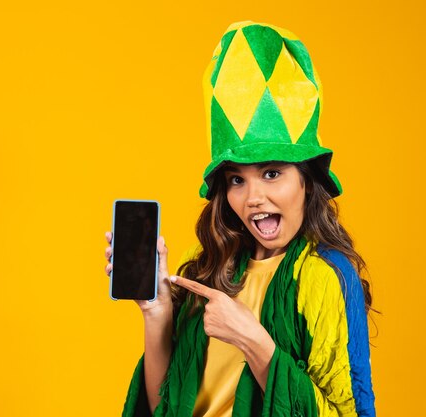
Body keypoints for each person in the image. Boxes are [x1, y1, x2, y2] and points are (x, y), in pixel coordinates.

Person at [104, 20, 377, 417]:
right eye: (236, 180)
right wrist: (158, 311)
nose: (253, 198)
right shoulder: (211, 265)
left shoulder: (324, 276)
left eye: (271, 173)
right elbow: (165, 405)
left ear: (306, 179)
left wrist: (255, 342)